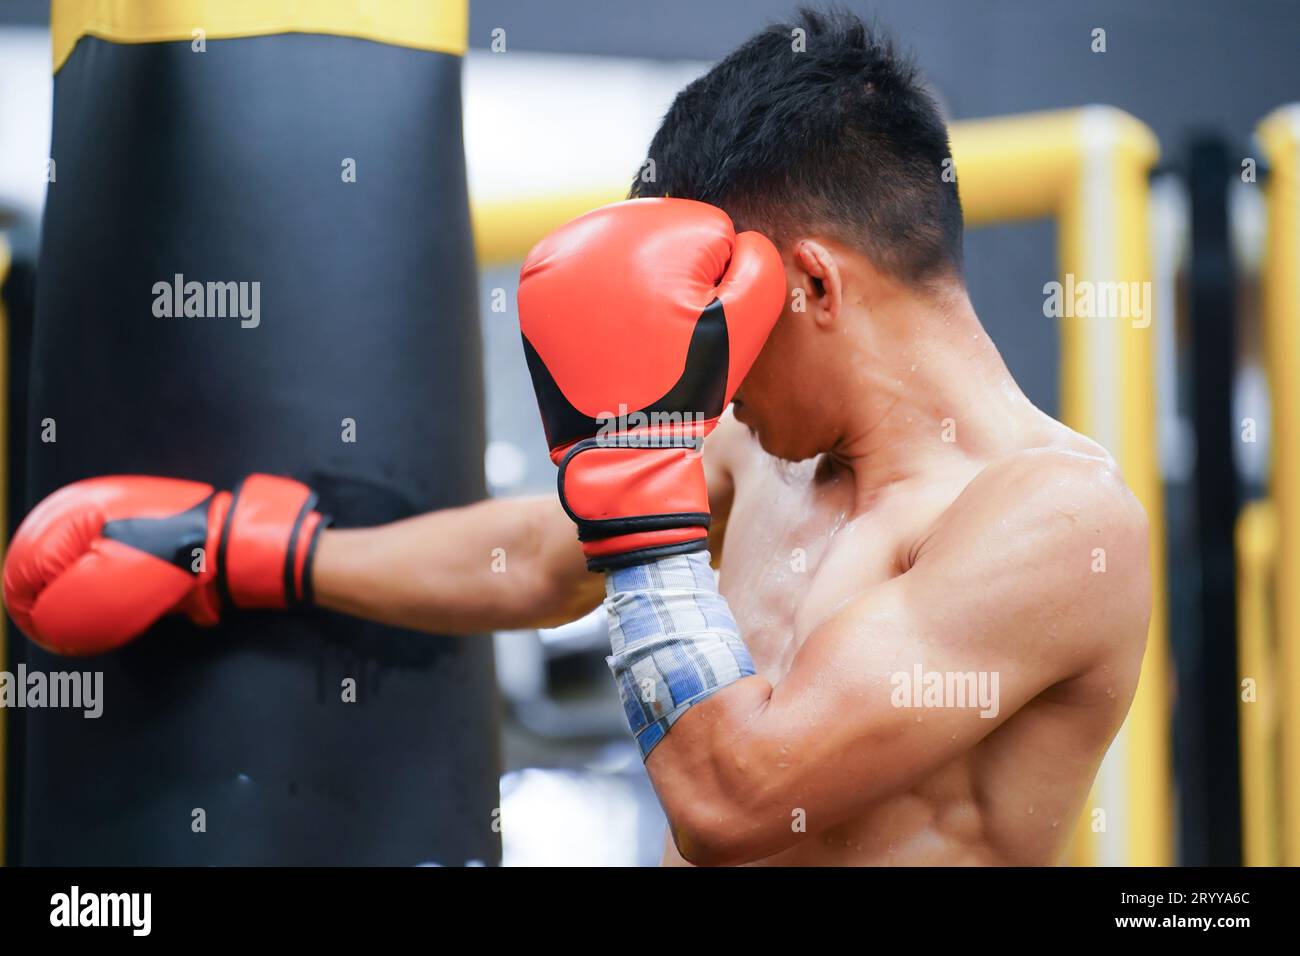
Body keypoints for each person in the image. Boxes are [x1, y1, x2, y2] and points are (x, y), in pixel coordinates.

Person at [4, 9, 1150, 866]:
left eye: (724, 312)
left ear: (807, 283)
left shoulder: (1054, 521)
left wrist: (641, 491)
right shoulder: (764, 456)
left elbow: (735, 798)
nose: (713, 378)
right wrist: (248, 547)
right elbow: (537, 555)